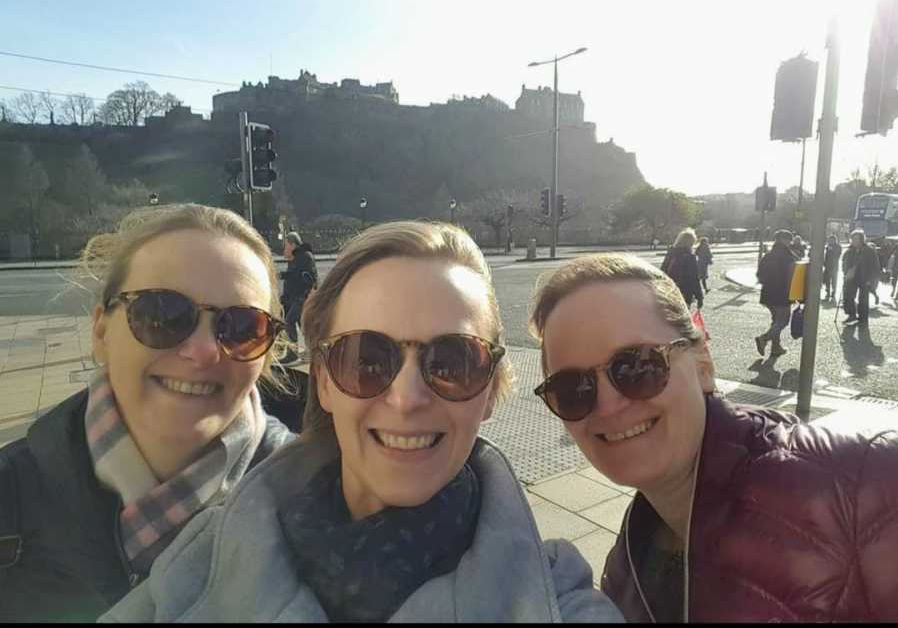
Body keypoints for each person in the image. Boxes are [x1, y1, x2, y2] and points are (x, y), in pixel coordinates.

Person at [100, 221, 623, 623]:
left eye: (453, 362)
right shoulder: (207, 551)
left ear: (489, 391)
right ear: (323, 381)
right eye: (366, 359)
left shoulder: (558, 597)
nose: (407, 397)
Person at [528, 251, 898, 622]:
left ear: (703, 365)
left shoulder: (865, 484)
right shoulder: (625, 568)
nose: (608, 406)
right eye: (573, 388)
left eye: (638, 365)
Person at [0, 204, 296, 622]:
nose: (202, 351)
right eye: (162, 315)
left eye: (242, 327)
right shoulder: (9, 497)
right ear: (101, 332)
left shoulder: (316, 499)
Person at [754, 229, 797, 358]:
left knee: (776, 321)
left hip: (767, 293)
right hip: (782, 294)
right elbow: (792, 276)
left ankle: (776, 347)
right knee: (783, 321)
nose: (790, 242)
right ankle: (764, 339)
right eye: (789, 240)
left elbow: (759, 275)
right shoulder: (788, 256)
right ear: (784, 240)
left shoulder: (768, 255)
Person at [279, 231, 318, 366]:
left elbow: (302, 277)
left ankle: (293, 354)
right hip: (296, 297)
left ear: (292, 244)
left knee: (289, 322)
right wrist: (284, 297)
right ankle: (313, 353)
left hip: (303, 297)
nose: (284, 248)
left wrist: (281, 274)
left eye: (286, 245)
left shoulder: (305, 256)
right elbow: (291, 281)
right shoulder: (295, 257)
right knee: (304, 326)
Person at [841, 229, 881, 326]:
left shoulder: (869, 251)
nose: (854, 241)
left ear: (862, 239)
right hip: (852, 278)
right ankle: (851, 315)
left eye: (856, 239)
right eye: (853, 239)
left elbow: (875, 266)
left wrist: (872, 279)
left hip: (865, 278)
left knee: (863, 299)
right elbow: (844, 262)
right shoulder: (850, 250)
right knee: (848, 296)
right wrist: (846, 273)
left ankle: (863, 319)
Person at [660, 228, 703, 310]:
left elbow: (662, 271)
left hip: (669, 291)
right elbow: (694, 278)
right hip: (684, 293)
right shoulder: (690, 257)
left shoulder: (670, 253)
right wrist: (699, 297)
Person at [823, 234, 842, 302]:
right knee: (827, 281)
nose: (830, 241)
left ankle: (833, 294)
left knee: (834, 282)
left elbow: (838, 255)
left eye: (832, 240)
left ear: (835, 240)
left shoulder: (838, 246)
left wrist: (832, 250)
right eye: (829, 240)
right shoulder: (827, 247)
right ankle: (827, 293)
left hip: (834, 267)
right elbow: (826, 256)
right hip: (827, 267)